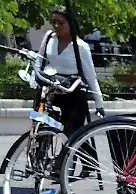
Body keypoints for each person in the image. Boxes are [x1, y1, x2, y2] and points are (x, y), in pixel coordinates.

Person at [36, 7, 105, 138]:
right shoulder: (49, 38)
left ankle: (76, 157)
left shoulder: (81, 47)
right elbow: (39, 61)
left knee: (72, 135)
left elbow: (91, 77)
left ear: (71, 23)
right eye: (54, 22)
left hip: (73, 95)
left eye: (61, 23)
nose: (56, 26)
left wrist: (99, 103)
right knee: (45, 130)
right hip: (53, 92)